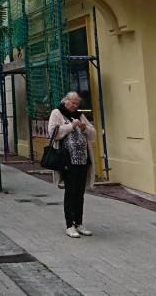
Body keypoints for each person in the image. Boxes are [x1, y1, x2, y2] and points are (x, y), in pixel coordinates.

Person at [49, 91, 96, 237]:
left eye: (77, 104)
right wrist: (71, 126)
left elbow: (93, 134)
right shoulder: (57, 113)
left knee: (80, 193)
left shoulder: (80, 115)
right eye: (73, 103)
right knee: (70, 192)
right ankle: (69, 225)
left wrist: (84, 128)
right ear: (66, 101)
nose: (75, 106)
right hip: (67, 161)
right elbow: (53, 133)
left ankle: (78, 223)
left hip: (83, 160)